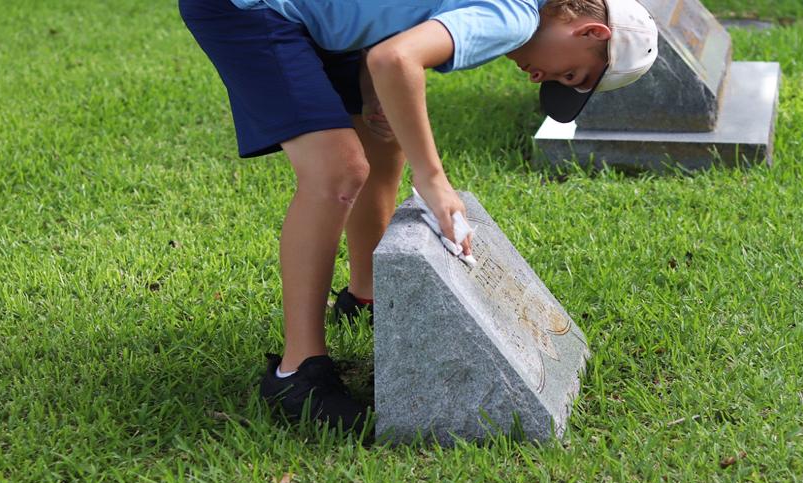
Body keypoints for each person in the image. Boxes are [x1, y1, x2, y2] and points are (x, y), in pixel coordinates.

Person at [179, 0, 658, 439]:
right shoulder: (517, 17)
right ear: (590, 31)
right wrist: (432, 178)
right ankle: (296, 372)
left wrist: (371, 89)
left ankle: (365, 296)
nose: (540, 79)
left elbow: (389, 32)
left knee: (380, 135)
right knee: (338, 170)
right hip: (250, 8)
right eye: (570, 74)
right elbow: (397, 59)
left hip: (321, 16)